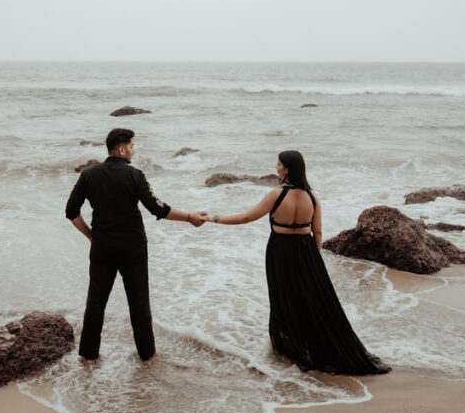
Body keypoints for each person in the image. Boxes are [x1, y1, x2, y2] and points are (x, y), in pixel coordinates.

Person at [204, 150, 391, 375]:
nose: (276, 167)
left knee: (284, 296)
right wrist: (314, 261)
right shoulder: (312, 197)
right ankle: (315, 346)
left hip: (280, 250)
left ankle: (292, 348)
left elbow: (246, 218)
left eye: (279, 164)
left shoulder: (276, 195)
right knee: (310, 299)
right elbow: (318, 232)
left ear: (288, 169)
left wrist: (215, 218)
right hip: (307, 251)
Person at [65, 128, 205, 363]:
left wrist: (91, 236)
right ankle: (147, 354)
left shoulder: (89, 175)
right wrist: (190, 217)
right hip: (133, 248)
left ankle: (88, 356)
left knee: (96, 301)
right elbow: (158, 208)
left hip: (102, 247)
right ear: (121, 149)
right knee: (138, 301)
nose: (133, 150)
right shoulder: (135, 175)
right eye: (131, 146)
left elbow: (71, 212)